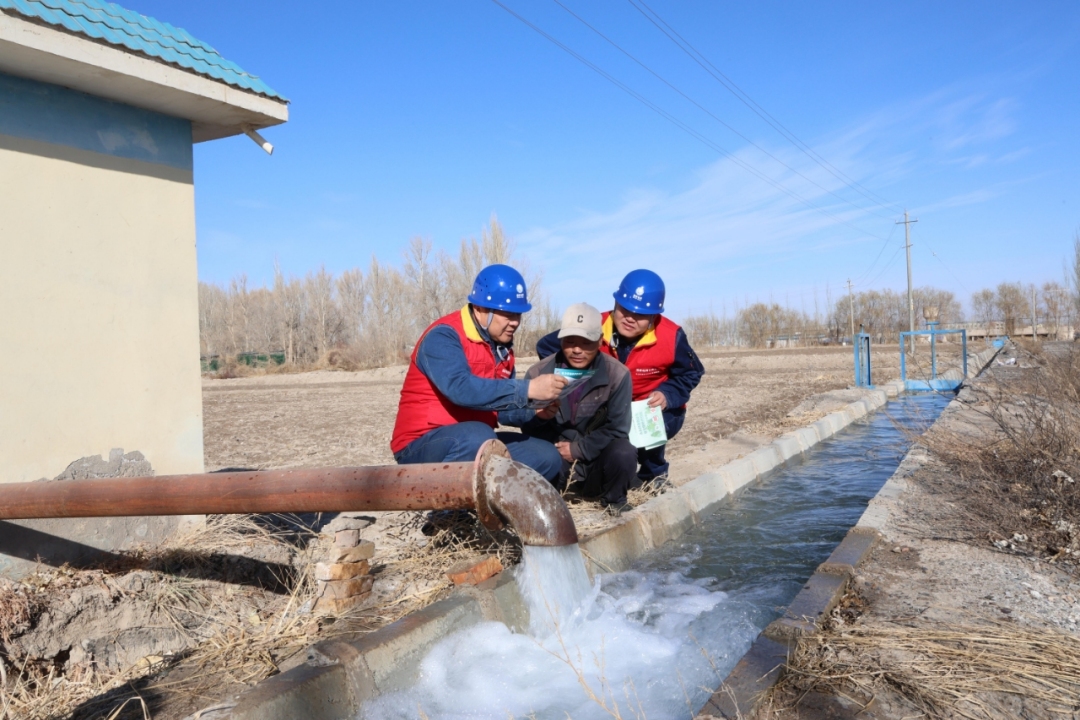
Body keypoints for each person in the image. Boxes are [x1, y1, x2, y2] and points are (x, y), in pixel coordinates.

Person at [391, 264, 567, 482]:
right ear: (480, 309)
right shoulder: (443, 336)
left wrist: (535, 412)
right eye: (507, 314)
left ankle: (497, 505)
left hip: (476, 441)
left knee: (546, 456)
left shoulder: (502, 349)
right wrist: (529, 388)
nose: (515, 323)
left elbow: (499, 411)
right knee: (479, 439)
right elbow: (461, 390)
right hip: (421, 445)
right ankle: (450, 514)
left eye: (518, 315)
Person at [536, 269, 704, 484]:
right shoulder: (593, 325)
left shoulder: (672, 336)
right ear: (615, 304)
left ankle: (653, 475)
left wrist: (668, 394)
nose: (630, 318)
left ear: (654, 315)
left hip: (646, 407)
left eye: (641, 314)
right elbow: (547, 346)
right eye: (625, 310)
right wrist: (577, 377)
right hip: (604, 404)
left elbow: (691, 373)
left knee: (649, 420)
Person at [504, 303, 636, 515]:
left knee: (624, 453)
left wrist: (578, 450)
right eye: (570, 341)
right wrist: (540, 418)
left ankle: (614, 501)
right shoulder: (538, 373)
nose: (576, 349)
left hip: (597, 457)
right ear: (560, 341)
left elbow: (617, 429)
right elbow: (528, 429)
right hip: (556, 456)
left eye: (586, 343)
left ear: (599, 341)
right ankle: (551, 502)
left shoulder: (618, 374)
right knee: (539, 458)